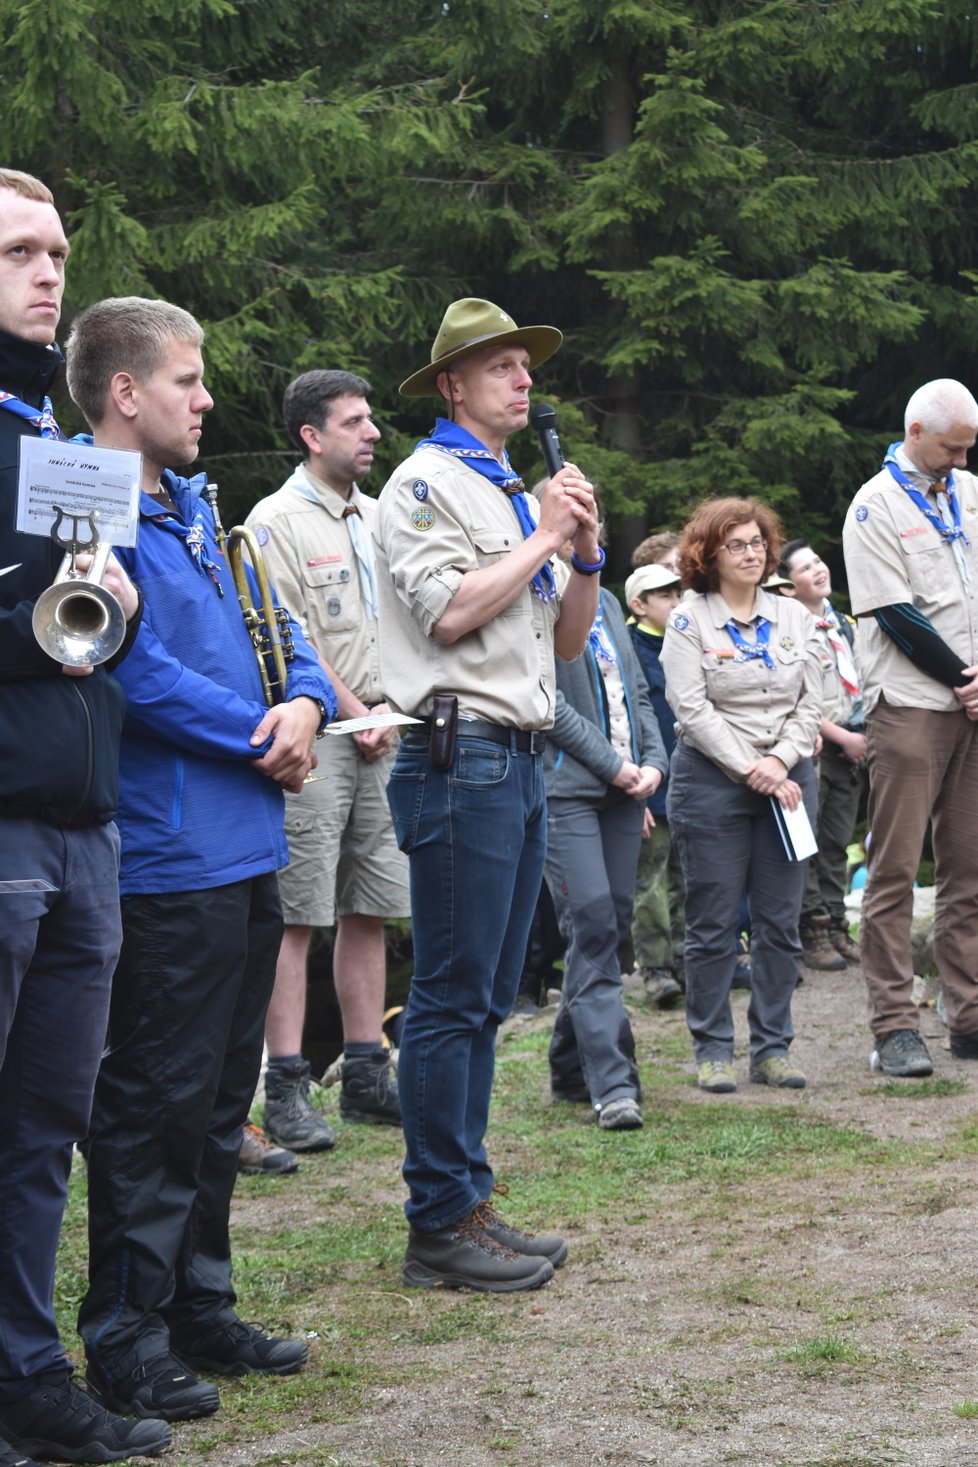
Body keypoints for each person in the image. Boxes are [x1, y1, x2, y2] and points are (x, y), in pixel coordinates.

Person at [66, 297, 337, 1423]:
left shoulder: (194, 511)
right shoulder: (85, 503)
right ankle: (125, 1335)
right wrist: (257, 728)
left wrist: (311, 704)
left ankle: (199, 1305)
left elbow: (287, 632)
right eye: (188, 380)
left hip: (245, 846)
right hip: (168, 854)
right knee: (153, 1107)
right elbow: (118, 663)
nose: (207, 397)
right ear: (126, 393)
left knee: (223, 1098)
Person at [373, 297, 601, 1292]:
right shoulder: (422, 486)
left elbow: (565, 641)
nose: (525, 380)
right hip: (457, 755)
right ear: (453, 386)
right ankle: (438, 1222)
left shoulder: (510, 491)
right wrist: (547, 535)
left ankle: (467, 1200)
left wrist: (582, 551)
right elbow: (455, 611)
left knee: (486, 999)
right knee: (449, 1000)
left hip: (517, 754)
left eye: (527, 366)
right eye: (502, 367)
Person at [0, 170, 170, 1467]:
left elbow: (96, 632)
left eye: (56, 250)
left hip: (82, 825)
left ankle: (27, 1375)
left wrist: (115, 591)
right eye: (19, 251)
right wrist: (34, 625)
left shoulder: (48, 437)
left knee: (46, 1125)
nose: (49, 273)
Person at [245, 370, 409, 1148]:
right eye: (354, 421)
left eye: (371, 418)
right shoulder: (272, 522)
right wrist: (355, 712)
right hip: (320, 734)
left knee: (369, 902)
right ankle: (284, 1082)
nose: (372, 431)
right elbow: (288, 636)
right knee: (298, 910)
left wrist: (392, 709)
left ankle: (366, 1069)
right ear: (313, 436)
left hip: (389, 726)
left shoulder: (381, 518)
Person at [661, 497, 822, 1094]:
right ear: (709, 554)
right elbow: (691, 708)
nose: (752, 553)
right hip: (712, 784)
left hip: (787, 784)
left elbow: (813, 699)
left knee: (781, 923)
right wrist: (751, 767)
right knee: (713, 922)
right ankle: (712, 1050)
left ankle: (773, 1048)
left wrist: (780, 761)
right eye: (737, 544)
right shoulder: (687, 619)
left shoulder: (795, 616)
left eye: (758, 543)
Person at [842, 378, 978, 1078]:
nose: (959, 460)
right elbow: (893, 612)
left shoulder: (971, 493)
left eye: (967, 449)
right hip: (911, 706)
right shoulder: (875, 506)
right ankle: (895, 1023)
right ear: (916, 430)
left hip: (972, 711)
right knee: (894, 869)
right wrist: (964, 678)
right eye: (951, 447)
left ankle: (969, 1012)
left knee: (969, 867)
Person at [543, 571, 667, 1129]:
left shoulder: (609, 600)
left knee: (608, 926)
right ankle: (614, 1084)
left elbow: (636, 691)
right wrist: (612, 765)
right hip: (566, 789)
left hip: (626, 790)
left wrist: (654, 764)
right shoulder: (534, 594)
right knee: (590, 921)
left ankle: (569, 1063)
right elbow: (543, 701)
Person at [778, 538, 866, 970]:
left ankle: (835, 922)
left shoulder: (842, 624)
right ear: (789, 586)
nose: (818, 570)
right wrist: (840, 736)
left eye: (818, 561)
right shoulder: (790, 628)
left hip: (850, 745)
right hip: (815, 744)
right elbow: (797, 695)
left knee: (837, 840)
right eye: (804, 568)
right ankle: (810, 929)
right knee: (807, 839)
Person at [624, 562, 685, 1007]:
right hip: (648, 782)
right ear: (638, 605)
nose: (676, 603)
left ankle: (689, 961)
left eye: (678, 594)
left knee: (690, 878)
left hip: (693, 783)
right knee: (650, 882)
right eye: (664, 596)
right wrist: (633, 792)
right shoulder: (628, 648)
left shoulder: (689, 644)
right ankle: (656, 968)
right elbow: (626, 719)